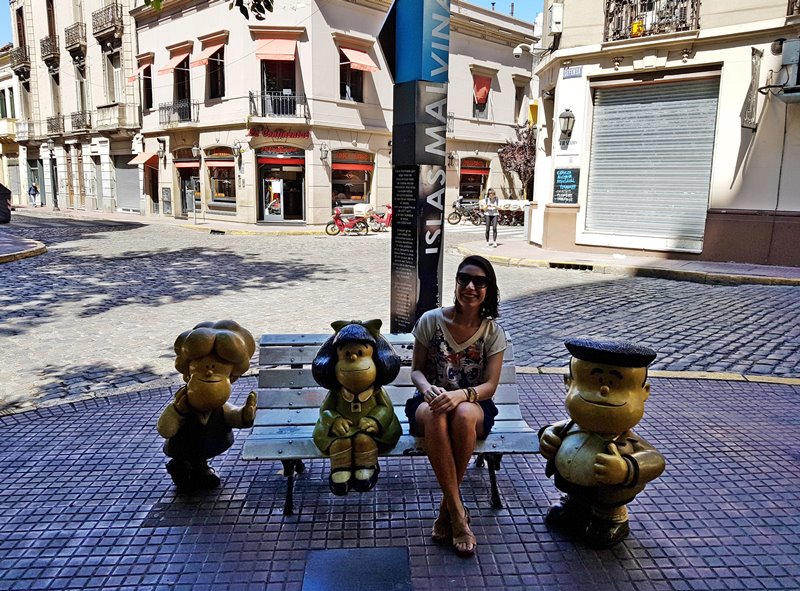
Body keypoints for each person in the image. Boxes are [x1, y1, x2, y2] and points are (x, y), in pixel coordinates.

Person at [406, 255, 507, 557]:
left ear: (489, 289)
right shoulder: (431, 321)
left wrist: (460, 395)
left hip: (473, 405)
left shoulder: (492, 333)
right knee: (438, 415)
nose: (471, 286)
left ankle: (447, 510)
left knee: (461, 415)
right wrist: (428, 390)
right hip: (430, 402)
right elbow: (416, 371)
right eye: (464, 278)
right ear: (456, 282)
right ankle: (458, 515)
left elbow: (489, 386)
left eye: (480, 281)